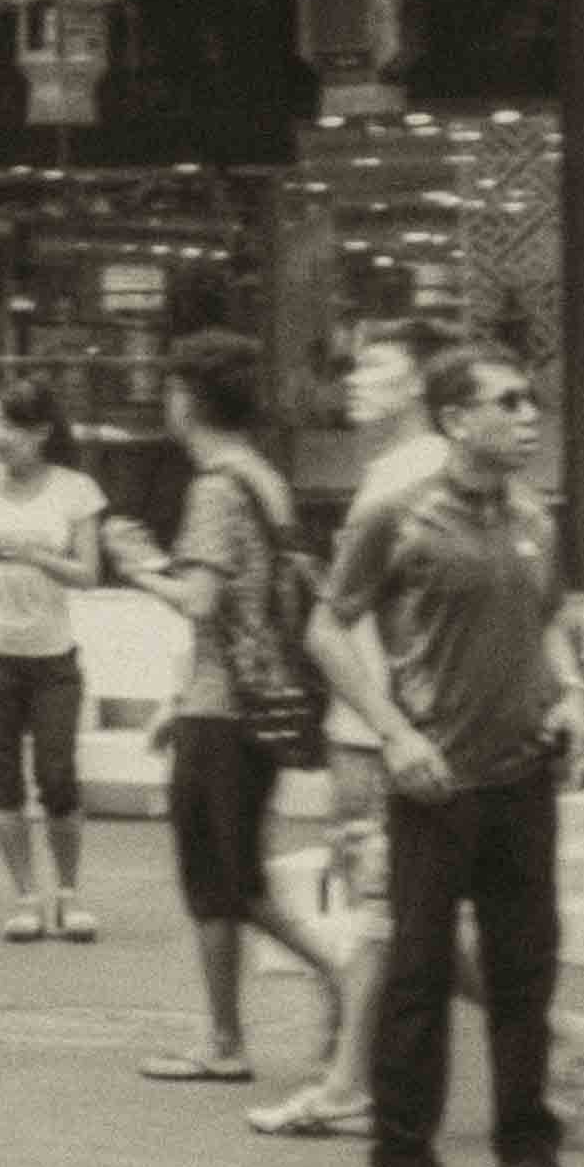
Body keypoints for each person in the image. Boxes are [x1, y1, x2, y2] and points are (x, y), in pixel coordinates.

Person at [314, 318, 575, 1167]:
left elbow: (548, 621)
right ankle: (401, 1163)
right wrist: (392, 734)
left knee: (524, 972)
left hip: (522, 775)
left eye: (530, 400)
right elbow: (325, 627)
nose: (528, 416)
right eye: (508, 402)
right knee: (419, 976)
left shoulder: (534, 517)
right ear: (457, 420)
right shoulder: (399, 515)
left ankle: (525, 1150)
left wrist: (572, 692)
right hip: (434, 782)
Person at [137, 330, 354, 1115]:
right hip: (253, 699)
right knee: (230, 879)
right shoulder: (264, 477)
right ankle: (226, 1035)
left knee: (224, 883)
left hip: (222, 708)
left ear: (187, 399)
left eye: (171, 390)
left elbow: (200, 600)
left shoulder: (214, 488)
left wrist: (137, 569)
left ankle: (338, 979)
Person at [0, 403, 127, 943]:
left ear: (41, 432)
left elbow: (88, 574)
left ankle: (69, 893)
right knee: (3, 783)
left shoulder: (75, 490)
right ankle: (25, 897)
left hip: (53, 657)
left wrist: (32, 554)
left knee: (57, 775)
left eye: (10, 427)